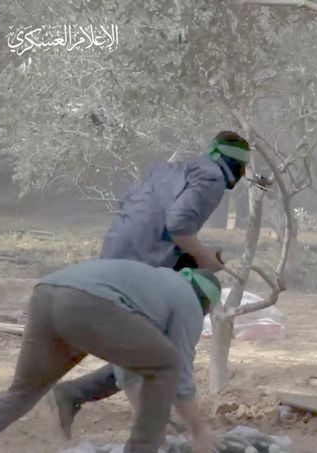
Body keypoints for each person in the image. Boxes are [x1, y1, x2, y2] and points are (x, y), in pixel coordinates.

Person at [49, 130, 251, 439]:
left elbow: (157, 220)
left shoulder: (179, 170)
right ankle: (147, 417)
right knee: (157, 344)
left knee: (144, 343)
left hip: (121, 252)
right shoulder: (212, 178)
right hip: (139, 261)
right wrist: (204, 257)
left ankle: (81, 394)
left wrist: (199, 255)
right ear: (236, 164)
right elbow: (179, 225)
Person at [0, 259, 221, 453]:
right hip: (87, 301)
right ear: (206, 305)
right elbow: (177, 372)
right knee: (169, 363)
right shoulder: (188, 301)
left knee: (22, 393)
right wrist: (198, 430)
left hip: (46, 293)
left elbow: (128, 370)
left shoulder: (153, 290)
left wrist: (151, 423)